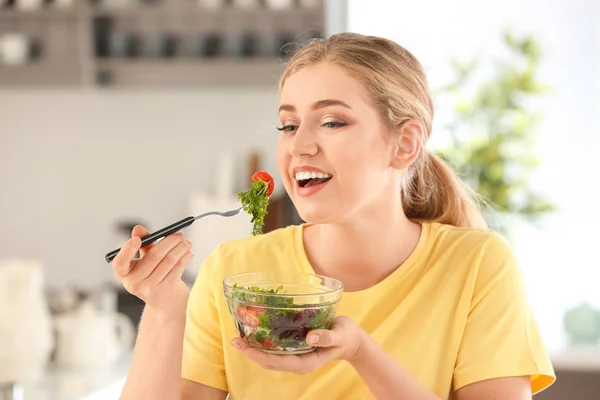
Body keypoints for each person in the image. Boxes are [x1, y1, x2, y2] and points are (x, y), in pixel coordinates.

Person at [111, 32, 555, 400]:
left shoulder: (477, 265)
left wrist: (362, 353)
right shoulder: (232, 271)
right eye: (288, 125)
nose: (299, 145)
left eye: (332, 122)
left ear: (404, 144)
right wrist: (167, 312)